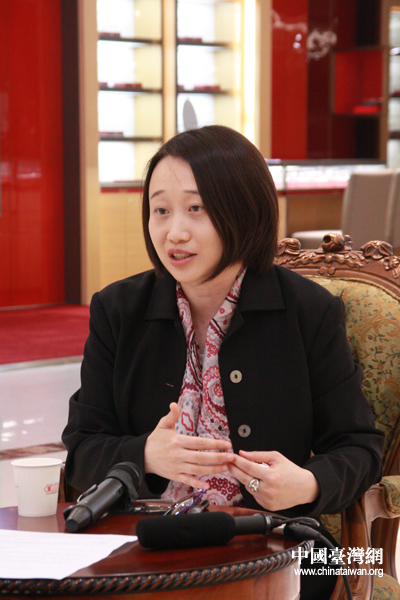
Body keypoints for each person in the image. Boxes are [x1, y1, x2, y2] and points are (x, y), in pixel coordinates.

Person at [62, 125, 383, 599]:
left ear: (243, 211)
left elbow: (360, 448)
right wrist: (146, 455)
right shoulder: (118, 310)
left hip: (277, 545)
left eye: (197, 208)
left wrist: (307, 484)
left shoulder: (309, 312)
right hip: (140, 545)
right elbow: (82, 449)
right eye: (160, 210)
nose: (174, 232)